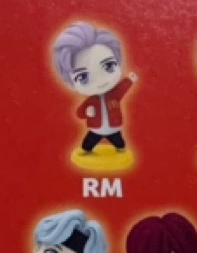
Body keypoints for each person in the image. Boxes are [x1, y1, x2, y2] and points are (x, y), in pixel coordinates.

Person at [52, 21, 137, 154]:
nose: (100, 80)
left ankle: (120, 149)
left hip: (113, 127)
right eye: (83, 77)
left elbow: (122, 88)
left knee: (118, 141)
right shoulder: (90, 102)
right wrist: (87, 112)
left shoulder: (114, 95)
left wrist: (130, 80)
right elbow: (80, 113)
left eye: (109, 66)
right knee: (89, 142)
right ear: (71, 82)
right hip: (95, 129)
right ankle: (87, 150)